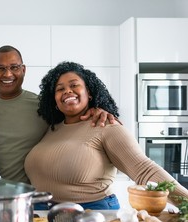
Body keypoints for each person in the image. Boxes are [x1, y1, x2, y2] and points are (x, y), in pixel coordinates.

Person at [24, 61, 188, 210]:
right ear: (54, 100)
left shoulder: (106, 125)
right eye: (60, 89)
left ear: (89, 93)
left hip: (91, 214)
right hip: (42, 214)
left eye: (74, 85)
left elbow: (145, 171)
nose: (67, 91)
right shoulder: (51, 129)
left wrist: (186, 202)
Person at [0, 45, 117, 184]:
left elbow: (74, 118)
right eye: (0, 68)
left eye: (14, 67)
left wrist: (96, 109)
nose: (7, 74)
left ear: (23, 70)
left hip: (34, 198)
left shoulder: (44, 106)